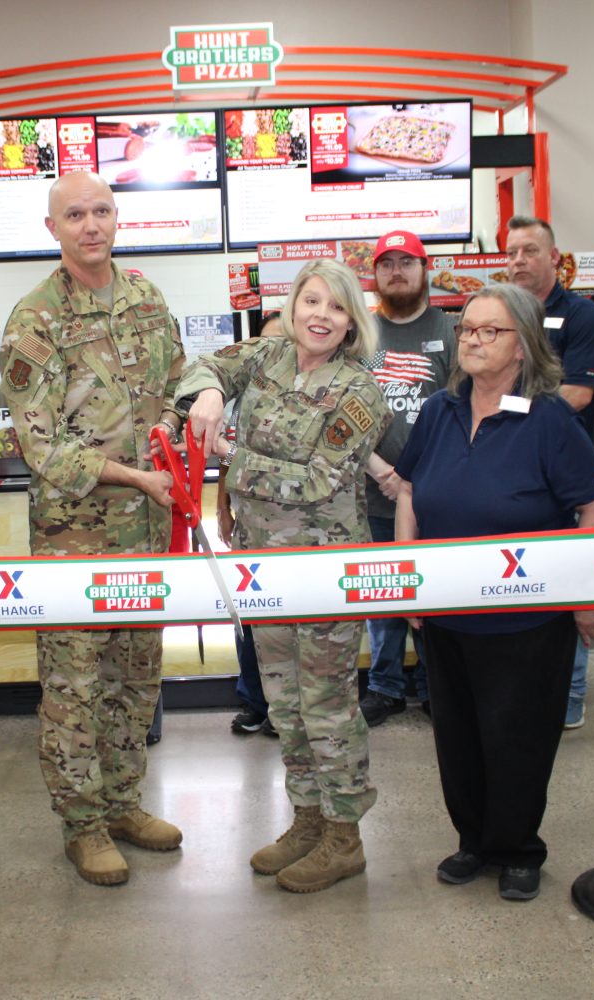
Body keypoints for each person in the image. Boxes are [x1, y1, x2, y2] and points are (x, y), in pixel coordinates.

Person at [394, 283, 594, 902]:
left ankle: (518, 849)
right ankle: (473, 841)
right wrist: (409, 580)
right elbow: (408, 491)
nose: (474, 340)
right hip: (448, 617)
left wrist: (583, 594)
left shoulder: (549, 420)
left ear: (523, 347)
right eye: (467, 330)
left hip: (525, 621)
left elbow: (593, 505)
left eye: (491, 331)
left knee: (516, 737)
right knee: (457, 737)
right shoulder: (439, 410)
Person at [0, 171, 185, 888]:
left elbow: (171, 384)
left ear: (117, 218)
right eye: (74, 214)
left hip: (148, 528)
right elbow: (40, 447)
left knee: (136, 677)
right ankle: (82, 825)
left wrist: (174, 427)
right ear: (53, 229)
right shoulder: (35, 319)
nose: (90, 225)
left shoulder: (145, 296)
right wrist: (137, 476)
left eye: (101, 210)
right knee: (75, 683)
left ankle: (123, 803)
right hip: (75, 536)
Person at [181, 259, 388, 894]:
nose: (320, 315)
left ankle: (344, 835)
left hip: (323, 569)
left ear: (352, 322)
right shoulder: (267, 355)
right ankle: (307, 821)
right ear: (293, 307)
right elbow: (207, 366)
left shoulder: (360, 392)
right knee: (284, 701)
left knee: (328, 705)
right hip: (261, 566)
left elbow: (322, 479)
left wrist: (232, 462)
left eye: (336, 306)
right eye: (311, 301)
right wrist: (212, 392)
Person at [505, 215, 594, 729]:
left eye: (530, 250)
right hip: (513, 478)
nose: (519, 260)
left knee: (569, 577)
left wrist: (511, 417)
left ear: (554, 257)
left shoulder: (582, 317)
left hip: (564, 476)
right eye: (512, 252)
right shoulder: (507, 316)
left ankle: (569, 698)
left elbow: (577, 393)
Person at [357, 231, 455, 727]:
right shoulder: (360, 336)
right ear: (374, 274)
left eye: (406, 262)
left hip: (436, 495)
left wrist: (417, 481)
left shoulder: (452, 330)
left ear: (425, 269)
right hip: (374, 492)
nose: (396, 271)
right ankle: (386, 685)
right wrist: (384, 472)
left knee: (434, 591)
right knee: (384, 594)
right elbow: (344, 416)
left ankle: (436, 683)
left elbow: (464, 413)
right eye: (386, 263)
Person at [222, 310, 283, 739]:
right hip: (248, 528)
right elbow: (226, 463)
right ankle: (255, 701)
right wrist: (223, 510)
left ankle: (285, 710)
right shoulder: (244, 399)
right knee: (248, 616)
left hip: (296, 532)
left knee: (289, 621)